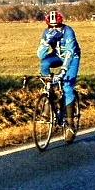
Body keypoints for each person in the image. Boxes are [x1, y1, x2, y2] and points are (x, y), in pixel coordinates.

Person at [36, 10, 81, 142]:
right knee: (44, 64)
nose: (54, 28)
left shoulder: (68, 31)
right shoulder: (46, 32)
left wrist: (63, 71)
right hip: (57, 55)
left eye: (57, 26)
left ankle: (70, 125)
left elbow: (69, 53)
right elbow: (40, 55)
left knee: (67, 87)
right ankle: (49, 91)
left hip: (72, 57)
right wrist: (46, 43)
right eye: (51, 26)